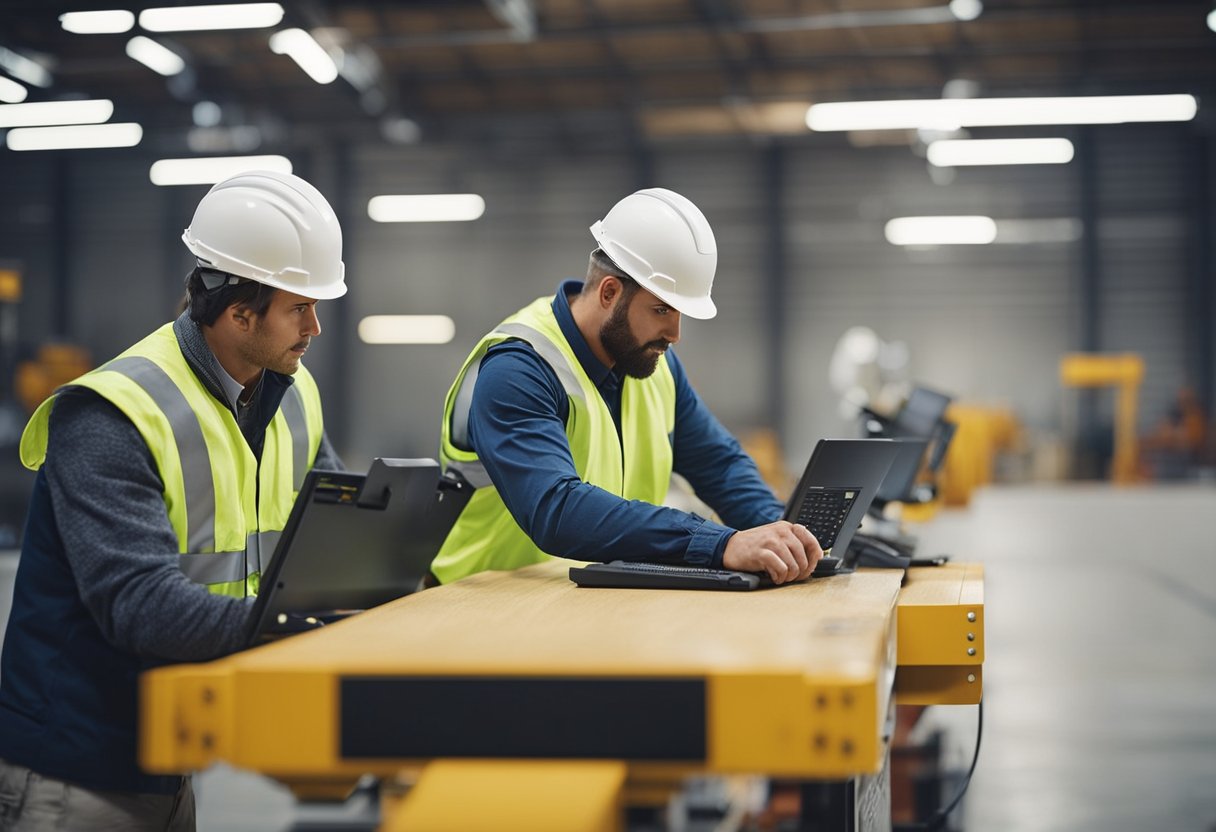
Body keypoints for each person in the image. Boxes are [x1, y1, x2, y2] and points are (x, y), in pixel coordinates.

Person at [0, 171, 346, 831]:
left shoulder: (289, 395)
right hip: (74, 772)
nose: (316, 327)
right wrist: (299, 629)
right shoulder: (112, 417)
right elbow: (141, 606)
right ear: (238, 311)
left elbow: (331, 535)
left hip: (174, 750)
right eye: (299, 307)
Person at [431, 187, 821, 586]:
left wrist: (784, 535)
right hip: (478, 611)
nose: (675, 333)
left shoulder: (657, 367)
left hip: (583, 605)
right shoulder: (519, 368)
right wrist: (719, 544)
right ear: (610, 293)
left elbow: (719, 466)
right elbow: (557, 510)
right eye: (661, 309)